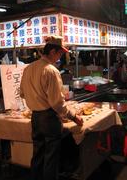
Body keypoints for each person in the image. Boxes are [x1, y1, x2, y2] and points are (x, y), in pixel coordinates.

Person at [20, 36, 83, 180]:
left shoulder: (28, 68)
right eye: (60, 54)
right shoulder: (51, 71)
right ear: (53, 51)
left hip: (35, 117)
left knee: (38, 154)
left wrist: (36, 98)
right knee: (51, 158)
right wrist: (73, 116)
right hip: (49, 119)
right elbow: (56, 103)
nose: (60, 57)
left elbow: (22, 93)